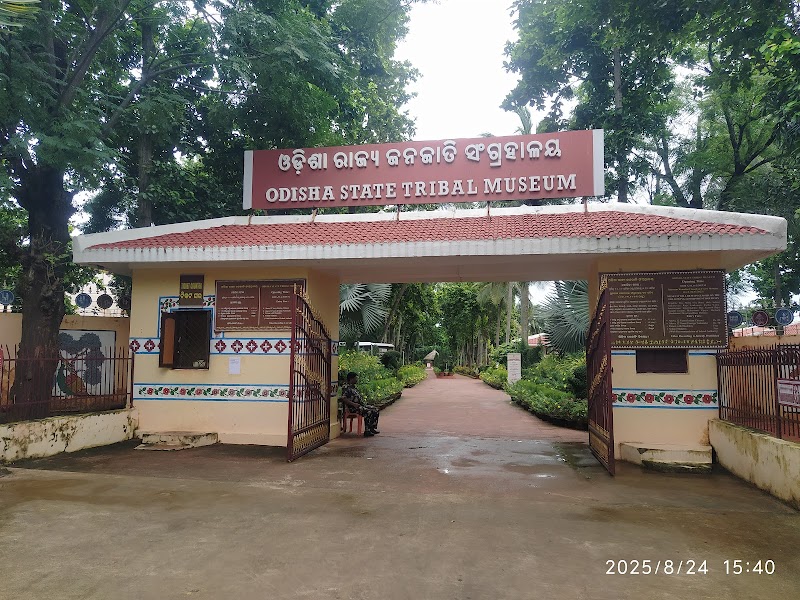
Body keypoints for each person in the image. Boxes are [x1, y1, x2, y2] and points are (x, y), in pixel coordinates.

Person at [340, 372, 380, 436]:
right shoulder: (346, 387)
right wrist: (353, 404)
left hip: (360, 405)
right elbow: (343, 399)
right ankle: (367, 431)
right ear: (351, 379)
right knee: (368, 412)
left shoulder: (354, 387)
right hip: (352, 408)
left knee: (376, 410)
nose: (357, 379)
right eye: (355, 378)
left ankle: (371, 428)